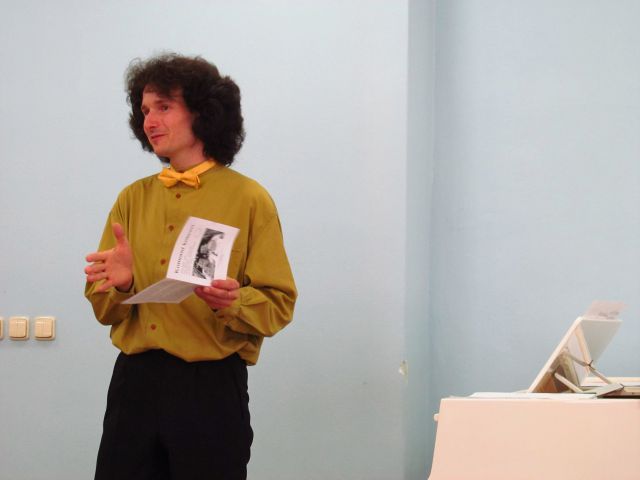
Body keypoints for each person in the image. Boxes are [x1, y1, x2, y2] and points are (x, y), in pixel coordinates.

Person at [84, 53, 297, 480]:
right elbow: (104, 309)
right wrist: (121, 286)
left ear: (203, 111)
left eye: (163, 107)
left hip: (210, 387)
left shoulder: (249, 199)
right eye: (145, 110)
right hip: (134, 384)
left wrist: (234, 301)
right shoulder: (131, 199)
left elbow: (279, 303)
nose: (150, 120)